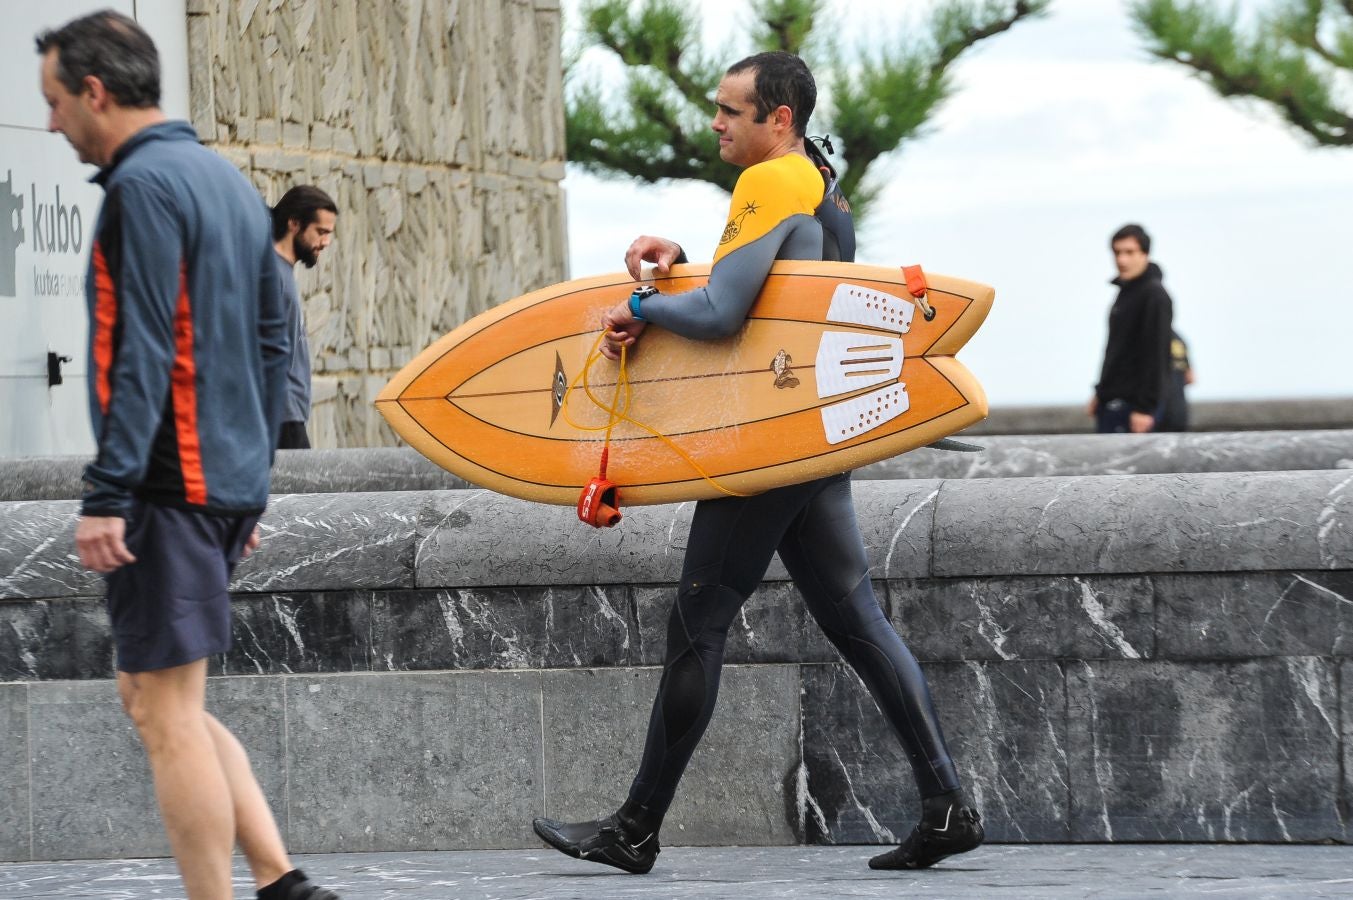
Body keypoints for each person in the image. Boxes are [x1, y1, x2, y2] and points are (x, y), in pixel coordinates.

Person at [531, 51, 982, 875]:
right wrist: (681, 260)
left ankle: (634, 829)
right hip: (813, 432)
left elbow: (724, 313)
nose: (715, 121)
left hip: (768, 442)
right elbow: (774, 295)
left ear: (779, 119)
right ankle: (946, 807)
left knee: (697, 624)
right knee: (856, 622)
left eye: (731, 111)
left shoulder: (768, 183)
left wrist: (641, 307)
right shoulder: (819, 182)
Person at [37, 11, 338, 900]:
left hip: (168, 483)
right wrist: (248, 480)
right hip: (220, 479)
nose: (51, 123)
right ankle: (282, 884)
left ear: (95, 92)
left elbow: (140, 354)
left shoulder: (143, 190)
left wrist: (107, 492)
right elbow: (273, 340)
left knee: (166, 715)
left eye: (55, 103)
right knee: (157, 698)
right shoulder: (221, 178)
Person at [1088, 223, 1174, 434]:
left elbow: (1157, 354)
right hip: (1112, 402)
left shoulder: (1154, 295)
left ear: (1145, 253)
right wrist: (1101, 393)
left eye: (1129, 252)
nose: (1121, 259)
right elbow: (1116, 351)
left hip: (1134, 408)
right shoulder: (1126, 292)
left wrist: (1145, 408)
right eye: (1117, 252)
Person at [270, 185, 337, 450]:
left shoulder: (282, 271)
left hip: (288, 414)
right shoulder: (271, 274)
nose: (326, 242)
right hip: (281, 416)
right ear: (294, 224)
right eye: (321, 232)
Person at [1155, 330, 1194, 432]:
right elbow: (1190, 378)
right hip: (1179, 410)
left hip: (1155, 411)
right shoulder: (1179, 339)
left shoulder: (1149, 335)